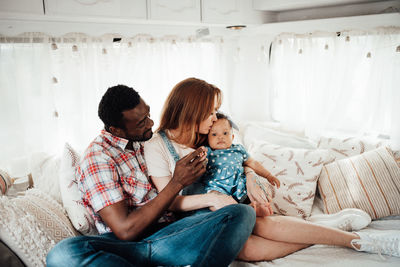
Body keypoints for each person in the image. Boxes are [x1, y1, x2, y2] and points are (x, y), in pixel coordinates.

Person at [144, 77, 400, 261]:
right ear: (193, 111)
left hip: (232, 205)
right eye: (210, 112)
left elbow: (239, 159)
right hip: (195, 217)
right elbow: (170, 201)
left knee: (260, 225)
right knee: (246, 251)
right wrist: (213, 198)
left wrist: (251, 176)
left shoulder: (208, 134)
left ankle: (361, 242)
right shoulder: (158, 146)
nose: (215, 118)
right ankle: (325, 231)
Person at [46, 84, 256, 267]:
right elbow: (126, 231)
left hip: (172, 234)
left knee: (242, 213)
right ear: (115, 129)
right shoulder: (98, 158)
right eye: (141, 122)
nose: (150, 124)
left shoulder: (144, 141)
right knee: (62, 253)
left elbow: (229, 154)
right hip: (129, 244)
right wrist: (177, 182)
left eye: (147, 114)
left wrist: (250, 174)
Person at [202, 112, 279, 216]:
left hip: (239, 187)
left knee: (255, 192)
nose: (220, 137)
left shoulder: (238, 149)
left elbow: (253, 163)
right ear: (208, 139)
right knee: (214, 201)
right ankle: (238, 211)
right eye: (214, 134)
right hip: (217, 188)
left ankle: (255, 207)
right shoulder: (208, 152)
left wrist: (268, 175)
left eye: (225, 133)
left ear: (232, 137)